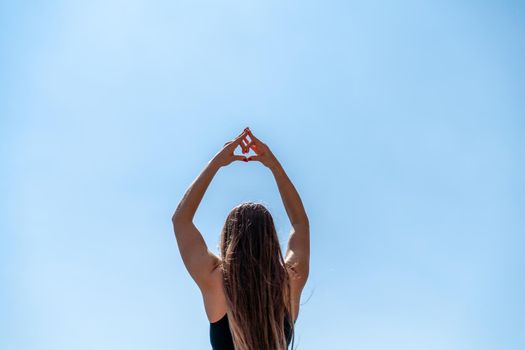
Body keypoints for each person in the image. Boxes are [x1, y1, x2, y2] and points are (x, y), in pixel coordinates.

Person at [172, 127, 310, 350]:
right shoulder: (290, 281)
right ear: (271, 239)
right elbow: (300, 223)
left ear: (229, 239)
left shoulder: (215, 280)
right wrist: (273, 164)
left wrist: (217, 162)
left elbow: (181, 220)